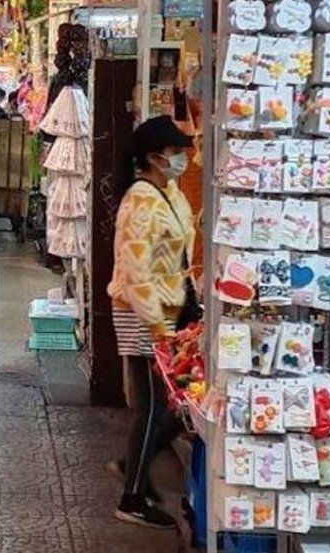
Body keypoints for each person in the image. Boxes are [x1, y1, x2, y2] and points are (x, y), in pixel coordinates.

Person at [107, 115, 198, 530]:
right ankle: (132, 495)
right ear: (154, 157)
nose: (181, 159)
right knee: (154, 405)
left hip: (169, 312)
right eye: (176, 152)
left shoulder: (170, 194)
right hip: (140, 312)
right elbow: (135, 270)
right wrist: (157, 325)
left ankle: (133, 464)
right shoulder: (140, 200)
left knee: (167, 405)